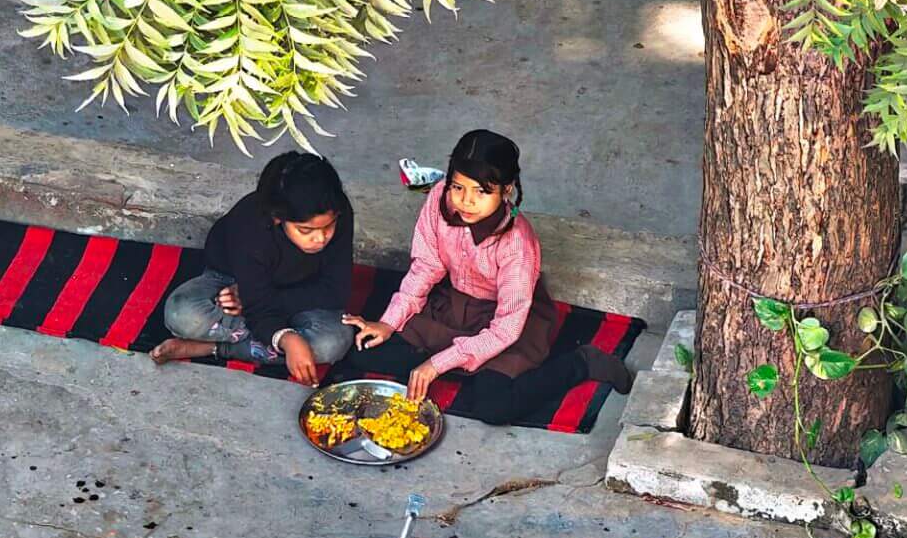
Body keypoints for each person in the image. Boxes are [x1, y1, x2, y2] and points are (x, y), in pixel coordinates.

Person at [339, 129, 634, 424]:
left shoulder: (518, 243)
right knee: (362, 352)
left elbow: (506, 329)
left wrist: (436, 364)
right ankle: (461, 363)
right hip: (451, 304)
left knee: (495, 408)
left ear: (506, 190)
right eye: (458, 187)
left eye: (481, 191)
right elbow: (426, 267)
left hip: (505, 322)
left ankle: (582, 362)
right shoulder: (439, 200)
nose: (466, 201)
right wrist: (389, 323)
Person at [152, 153, 357, 385]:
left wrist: (265, 306)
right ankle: (272, 343)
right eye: (305, 230)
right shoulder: (250, 227)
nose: (320, 239)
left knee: (334, 342)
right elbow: (259, 308)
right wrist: (286, 337)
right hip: (232, 281)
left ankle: (215, 347)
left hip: (297, 292)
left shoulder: (337, 210)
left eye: (328, 227)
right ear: (278, 218)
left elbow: (336, 291)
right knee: (183, 314)